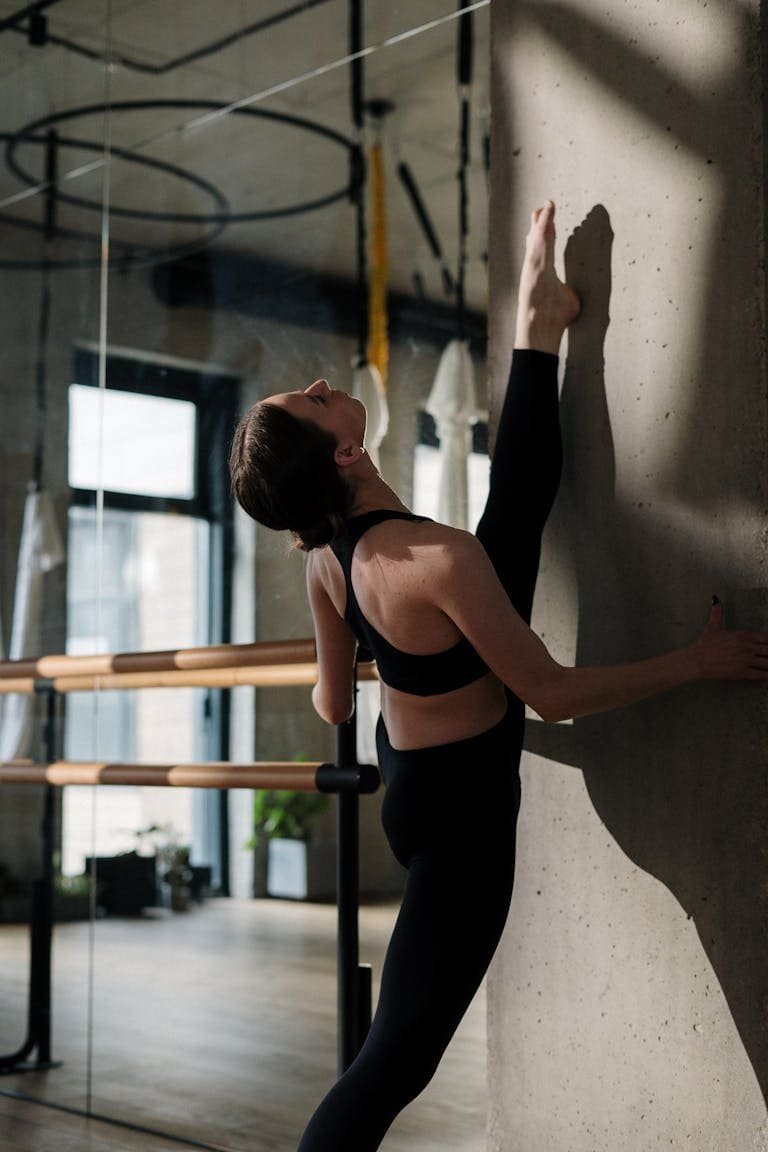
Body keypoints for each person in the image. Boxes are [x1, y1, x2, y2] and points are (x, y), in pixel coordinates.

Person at [229, 202, 768, 1152]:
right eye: (311, 400)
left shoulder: (326, 558)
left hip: (412, 784)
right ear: (346, 451)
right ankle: (536, 325)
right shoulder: (435, 561)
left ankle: (540, 322)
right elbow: (551, 694)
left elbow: (328, 702)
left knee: (513, 518)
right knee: (396, 1062)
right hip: (464, 824)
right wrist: (697, 659)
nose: (319, 381)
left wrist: (380, 651)